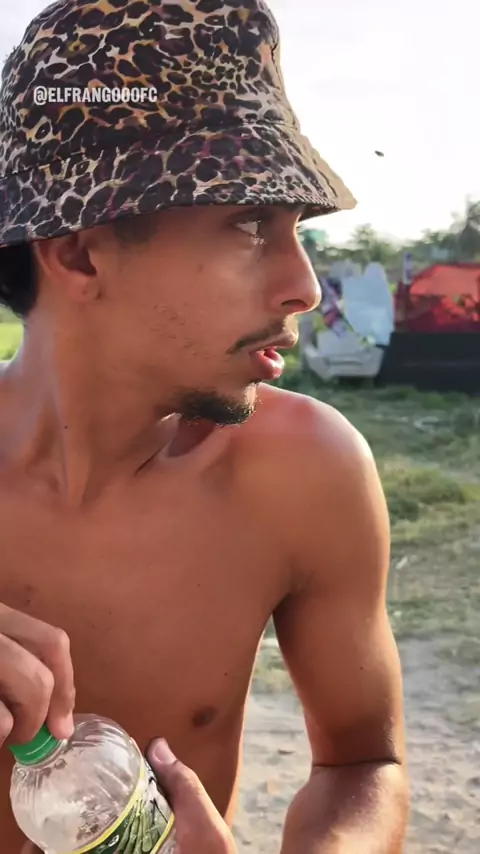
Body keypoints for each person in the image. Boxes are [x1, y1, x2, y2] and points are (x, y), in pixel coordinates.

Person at [0, 1, 409, 852]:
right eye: (250, 224)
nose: (306, 288)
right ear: (79, 252)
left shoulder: (302, 475)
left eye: (298, 229)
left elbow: (364, 763)